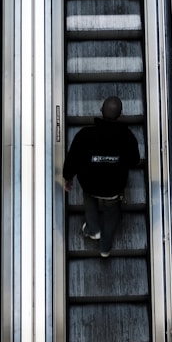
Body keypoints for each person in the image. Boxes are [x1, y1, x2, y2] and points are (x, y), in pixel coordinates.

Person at [62, 95, 141, 258]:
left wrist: (68, 177)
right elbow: (134, 161)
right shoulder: (126, 136)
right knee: (111, 213)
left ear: (101, 110)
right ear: (120, 114)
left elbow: (73, 158)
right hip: (113, 187)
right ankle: (105, 247)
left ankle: (93, 229)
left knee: (89, 201)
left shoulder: (85, 135)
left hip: (90, 184)